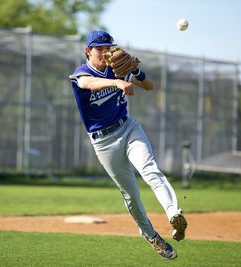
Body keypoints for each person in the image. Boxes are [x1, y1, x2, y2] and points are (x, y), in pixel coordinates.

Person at [69, 30, 187, 259]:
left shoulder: (118, 68)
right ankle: (152, 236)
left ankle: (174, 213)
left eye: (107, 47)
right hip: (103, 142)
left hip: (128, 127)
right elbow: (88, 84)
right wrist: (116, 82)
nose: (105, 52)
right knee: (131, 195)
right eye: (99, 48)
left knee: (150, 169)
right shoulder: (80, 74)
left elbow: (150, 86)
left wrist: (135, 70)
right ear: (88, 51)